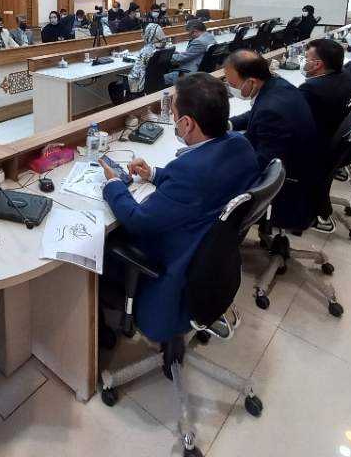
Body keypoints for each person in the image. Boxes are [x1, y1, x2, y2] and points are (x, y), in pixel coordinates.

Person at [98, 73, 259, 340]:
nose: (174, 120)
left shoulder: (190, 172)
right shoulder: (240, 145)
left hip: (174, 265)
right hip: (208, 256)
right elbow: (203, 185)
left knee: (103, 242)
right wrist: (153, 174)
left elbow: (138, 220)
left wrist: (113, 185)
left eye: (174, 115)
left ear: (187, 123)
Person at [225, 50, 328, 232]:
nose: (230, 88)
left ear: (252, 82)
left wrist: (220, 158)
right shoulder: (277, 86)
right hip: (304, 165)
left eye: (232, 84)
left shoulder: (272, 111)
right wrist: (229, 124)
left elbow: (262, 166)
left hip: (289, 188)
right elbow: (256, 113)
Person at [299, 39, 351, 147]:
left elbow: (293, 119)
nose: (304, 60)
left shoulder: (311, 88)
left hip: (316, 142)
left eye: (306, 57)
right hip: (337, 132)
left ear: (317, 64)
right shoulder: (347, 76)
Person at [108, 22, 165, 104]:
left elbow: (136, 74)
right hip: (156, 82)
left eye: (143, 33)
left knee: (112, 86)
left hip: (140, 84)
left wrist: (127, 77)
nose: (142, 35)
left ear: (149, 34)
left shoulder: (146, 51)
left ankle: (124, 109)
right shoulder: (163, 46)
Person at [164, 18, 215, 85]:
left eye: (189, 32)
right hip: (202, 69)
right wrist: (177, 53)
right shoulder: (210, 37)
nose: (189, 35)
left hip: (189, 73)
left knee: (161, 78)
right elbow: (191, 54)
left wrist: (166, 56)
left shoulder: (198, 42)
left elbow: (181, 58)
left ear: (195, 31)